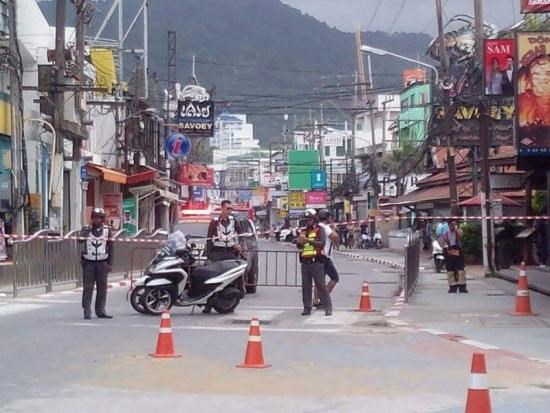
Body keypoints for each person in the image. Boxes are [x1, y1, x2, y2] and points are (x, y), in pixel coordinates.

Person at [295, 209, 332, 317]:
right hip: (305, 262)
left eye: (309, 219)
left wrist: (308, 241)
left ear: (314, 219)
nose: (308, 222)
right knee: (306, 287)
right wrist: (298, 241)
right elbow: (300, 246)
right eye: (306, 220)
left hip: (317, 262)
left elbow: (322, 243)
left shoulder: (319, 230)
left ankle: (327, 308)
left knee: (321, 286)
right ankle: (307, 308)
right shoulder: (303, 231)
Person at [80, 208, 114, 320]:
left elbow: (111, 247)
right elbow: (79, 240)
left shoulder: (107, 230)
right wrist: (88, 230)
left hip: (102, 263)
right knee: (88, 288)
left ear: (102, 219)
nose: (96, 220)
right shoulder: (86, 229)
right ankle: (87, 310)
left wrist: (110, 263)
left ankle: (101, 310)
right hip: (89, 263)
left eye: (99, 217)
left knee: (102, 288)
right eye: (94, 217)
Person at [313, 209, 340, 309]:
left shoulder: (316, 227)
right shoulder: (326, 228)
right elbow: (336, 239)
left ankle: (316, 300)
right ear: (328, 218)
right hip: (325, 257)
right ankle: (323, 298)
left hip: (316, 256)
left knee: (319, 280)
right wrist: (333, 228)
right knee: (335, 278)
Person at [442, 220, 468, 293]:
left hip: (458, 253)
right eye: (450, 225)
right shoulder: (446, 234)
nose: (451, 226)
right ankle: (452, 287)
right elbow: (443, 243)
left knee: (461, 270)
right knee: (450, 271)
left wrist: (456, 229)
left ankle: (462, 287)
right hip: (449, 253)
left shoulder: (458, 232)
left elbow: (461, 235)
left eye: (453, 225)